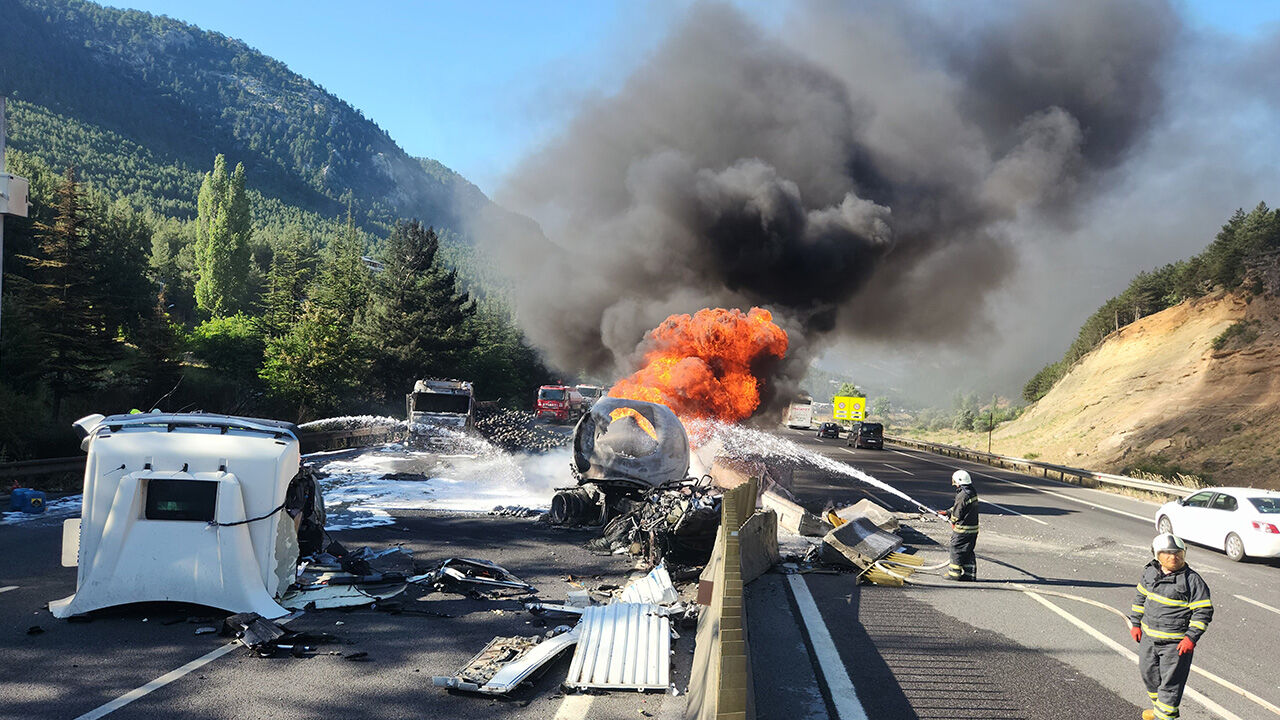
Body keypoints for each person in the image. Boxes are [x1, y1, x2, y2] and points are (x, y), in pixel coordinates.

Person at [1127, 533, 1212, 720]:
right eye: (1167, 553)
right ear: (1157, 555)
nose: (1174, 557)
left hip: (1175, 645)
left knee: (1170, 684)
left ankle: (1164, 716)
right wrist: (1135, 623)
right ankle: (1161, 711)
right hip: (1149, 639)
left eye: (1178, 553)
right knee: (1149, 675)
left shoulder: (1192, 581)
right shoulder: (1150, 572)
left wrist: (1191, 637)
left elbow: (1203, 612)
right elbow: (1140, 598)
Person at [937, 469, 979, 580]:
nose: (954, 483)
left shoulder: (962, 494)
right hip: (972, 529)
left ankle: (954, 574)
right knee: (967, 550)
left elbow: (957, 513)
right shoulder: (971, 491)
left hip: (962, 530)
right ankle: (970, 575)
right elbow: (960, 508)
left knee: (956, 548)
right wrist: (948, 512)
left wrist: (952, 518)